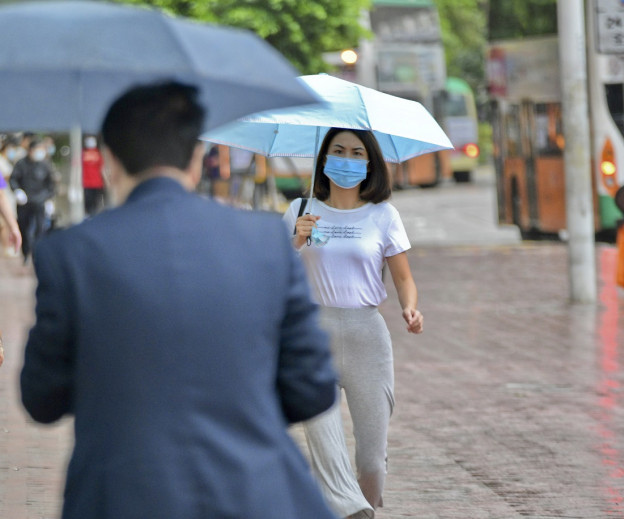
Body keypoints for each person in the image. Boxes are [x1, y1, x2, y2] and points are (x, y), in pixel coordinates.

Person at [20, 81, 340, 519]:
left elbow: (42, 398)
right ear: (195, 160)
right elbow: (313, 389)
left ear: (109, 160)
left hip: (120, 497)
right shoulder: (265, 242)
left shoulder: (69, 254)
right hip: (257, 494)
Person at [282, 127, 424, 519]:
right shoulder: (299, 211)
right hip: (313, 337)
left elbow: (403, 278)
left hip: (367, 336)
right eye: (338, 150)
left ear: (369, 162)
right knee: (326, 446)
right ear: (324, 158)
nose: (347, 158)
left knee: (371, 462)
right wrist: (294, 241)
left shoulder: (384, 215)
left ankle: (359, 507)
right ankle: (349, 511)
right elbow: (272, 274)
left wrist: (410, 308)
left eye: (356, 152)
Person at [9, 137, 57, 264]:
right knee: (24, 228)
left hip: (40, 201)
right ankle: (25, 253)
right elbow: (12, 180)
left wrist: (49, 199)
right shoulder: (21, 164)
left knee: (40, 229)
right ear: (30, 150)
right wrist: (17, 191)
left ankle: (37, 255)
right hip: (24, 202)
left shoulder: (45, 165)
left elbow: (51, 185)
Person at [82, 135, 106, 216]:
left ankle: (91, 215)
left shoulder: (97, 154)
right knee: (92, 204)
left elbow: (102, 168)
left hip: (94, 183)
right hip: (89, 183)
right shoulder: (84, 154)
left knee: (93, 204)